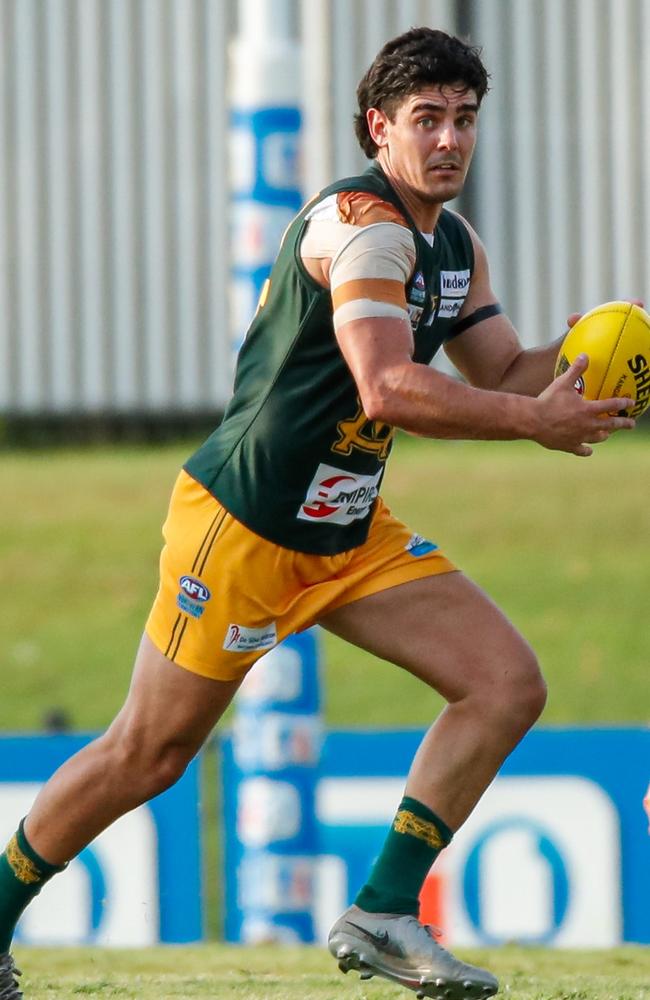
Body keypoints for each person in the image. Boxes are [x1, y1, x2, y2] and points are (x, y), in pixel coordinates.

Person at [0, 26, 635, 1000]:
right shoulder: (361, 226)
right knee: (147, 753)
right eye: (426, 119)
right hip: (245, 525)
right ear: (376, 128)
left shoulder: (452, 245)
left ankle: (382, 910)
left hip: (344, 531)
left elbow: (505, 370)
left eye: (463, 119)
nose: (449, 140)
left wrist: (600, 351)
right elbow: (385, 388)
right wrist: (529, 423)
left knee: (503, 682)